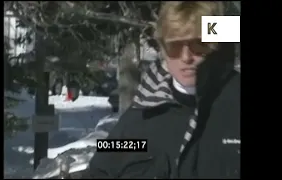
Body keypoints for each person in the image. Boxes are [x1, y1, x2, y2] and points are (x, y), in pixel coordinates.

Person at [83, 1, 240, 179]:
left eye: (198, 44)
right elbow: (100, 168)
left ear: (216, 45)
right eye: (175, 46)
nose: (186, 57)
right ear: (163, 50)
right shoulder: (139, 119)